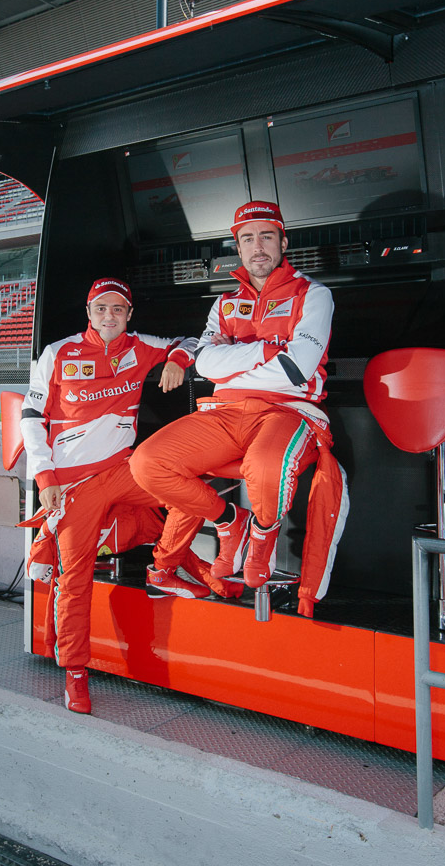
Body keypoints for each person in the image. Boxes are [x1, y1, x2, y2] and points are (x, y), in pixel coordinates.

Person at [130, 201, 349, 618]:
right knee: (147, 463)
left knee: (265, 466)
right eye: (247, 239)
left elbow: (297, 368)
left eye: (266, 236)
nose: (257, 247)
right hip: (224, 411)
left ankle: (263, 537)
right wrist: (266, 351)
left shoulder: (313, 294)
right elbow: (206, 365)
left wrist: (234, 357)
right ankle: (232, 520)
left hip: (289, 410)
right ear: (239, 247)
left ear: (283, 242)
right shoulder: (225, 303)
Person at [21, 277, 216, 715]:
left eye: (118, 309)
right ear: (89, 313)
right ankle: (75, 673)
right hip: (72, 485)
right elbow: (31, 416)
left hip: (122, 471)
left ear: (129, 314)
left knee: (188, 491)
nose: (109, 316)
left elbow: (191, 341)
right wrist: (45, 478)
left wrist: (178, 359)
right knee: (75, 581)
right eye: (101, 308)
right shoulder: (58, 352)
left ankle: (164, 568)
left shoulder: (140, 345)